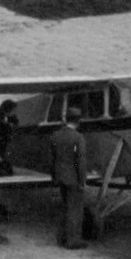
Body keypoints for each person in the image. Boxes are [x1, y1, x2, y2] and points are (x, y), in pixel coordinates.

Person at [49, 106, 89, 249]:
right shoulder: (78, 137)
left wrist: (54, 176)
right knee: (75, 210)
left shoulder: (56, 135)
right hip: (73, 178)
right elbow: (81, 161)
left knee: (65, 207)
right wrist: (82, 180)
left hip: (60, 177)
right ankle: (73, 240)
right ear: (78, 121)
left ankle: (61, 238)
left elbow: (52, 159)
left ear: (66, 119)